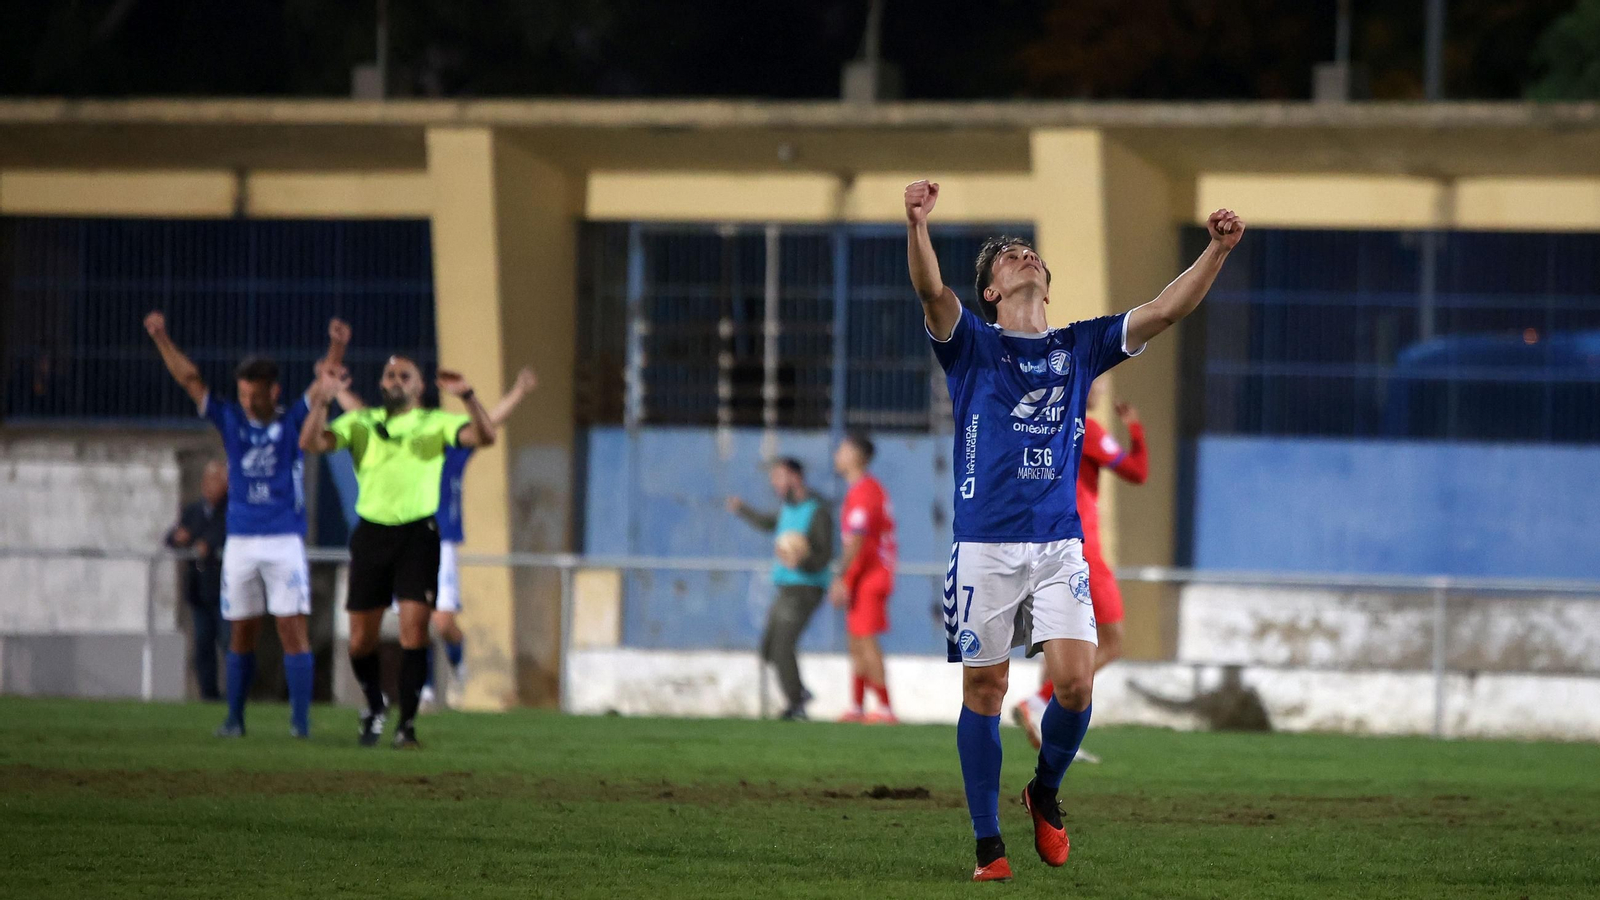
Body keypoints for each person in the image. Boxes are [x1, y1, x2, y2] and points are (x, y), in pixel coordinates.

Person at [905, 178, 1243, 882]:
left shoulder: (1079, 347)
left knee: (1076, 684)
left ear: (1046, 285)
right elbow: (934, 292)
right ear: (991, 292)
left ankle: (1045, 791)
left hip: (1059, 546)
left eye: (1030, 252)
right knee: (985, 694)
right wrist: (918, 226)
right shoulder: (971, 345)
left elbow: (1163, 312)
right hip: (984, 548)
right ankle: (987, 845)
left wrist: (1216, 250)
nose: (1023, 255)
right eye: (1007, 255)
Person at [144, 311, 347, 738]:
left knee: (293, 628)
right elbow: (190, 380)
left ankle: (300, 723)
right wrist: (162, 337)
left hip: (283, 539)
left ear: (273, 391)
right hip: (240, 541)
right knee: (241, 631)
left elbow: (324, 382)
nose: (248, 402)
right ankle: (235, 720)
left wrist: (337, 346)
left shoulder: (291, 420)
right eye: (242, 394)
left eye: (255, 395)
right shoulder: (231, 420)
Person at [300, 355, 496, 749]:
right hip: (371, 535)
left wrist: (469, 396)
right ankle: (375, 704)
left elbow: (485, 436)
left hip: (417, 535)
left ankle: (406, 727)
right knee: (360, 641)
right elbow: (311, 443)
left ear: (419, 387)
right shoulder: (361, 422)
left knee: (413, 631)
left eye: (405, 375)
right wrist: (322, 399)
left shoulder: (433, 423)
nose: (395, 380)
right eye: (389, 374)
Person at [335, 366, 539, 709]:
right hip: (407, 538)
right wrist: (337, 389)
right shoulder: (402, 446)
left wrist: (518, 392)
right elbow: (361, 416)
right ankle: (425, 692)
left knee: (443, 623)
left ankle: (459, 660)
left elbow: (489, 424)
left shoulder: (453, 448)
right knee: (415, 621)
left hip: (439, 540)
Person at [1014, 380, 1149, 758]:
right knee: (1112, 642)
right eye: (1098, 379)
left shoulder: (1045, 428)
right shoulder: (1087, 429)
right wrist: (1135, 427)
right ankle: (1039, 702)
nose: (1104, 387)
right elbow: (1138, 473)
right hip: (1085, 549)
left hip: (1048, 547)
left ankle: (1050, 731)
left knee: (1060, 643)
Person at [726, 458, 834, 721]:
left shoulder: (816, 510)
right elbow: (767, 522)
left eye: (779, 477)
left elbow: (824, 554)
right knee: (768, 648)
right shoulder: (788, 509)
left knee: (782, 647)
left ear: (795, 477)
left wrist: (802, 559)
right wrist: (742, 509)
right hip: (787, 587)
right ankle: (799, 694)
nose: (774, 483)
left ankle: (796, 703)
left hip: (805, 588)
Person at [828, 433, 899, 724]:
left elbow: (857, 541)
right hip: (861, 575)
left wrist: (839, 576)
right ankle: (857, 706)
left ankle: (884, 708)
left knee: (866, 639)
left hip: (870, 574)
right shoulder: (860, 490)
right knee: (855, 640)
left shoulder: (865, 491)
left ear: (857, 457)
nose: (837, 454)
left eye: (843, 449)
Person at [165, 459, 230, 701]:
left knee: (229, 643)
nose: (210, 486)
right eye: (208, 480)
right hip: (199, 591)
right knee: (202, 646)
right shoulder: (193, 511)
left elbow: (223, 534)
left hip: (224, 590)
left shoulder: (231, 510)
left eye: (216, 480)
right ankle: (208, 696)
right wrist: (178, 538)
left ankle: (234, 694)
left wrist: (207, 543)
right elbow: (173, 536)